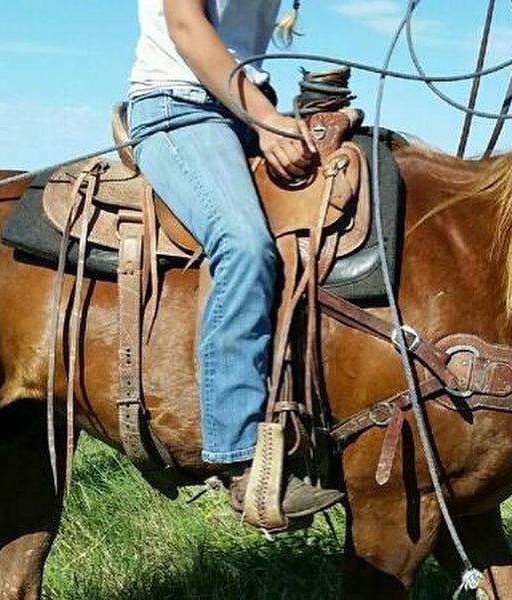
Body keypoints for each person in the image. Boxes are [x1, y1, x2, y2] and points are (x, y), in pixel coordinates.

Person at [128, 0, 343, 518]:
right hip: (177, 106)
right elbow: (185, 23)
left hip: (243, 105)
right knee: (244, 245)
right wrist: (268, 122)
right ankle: (240, 457)